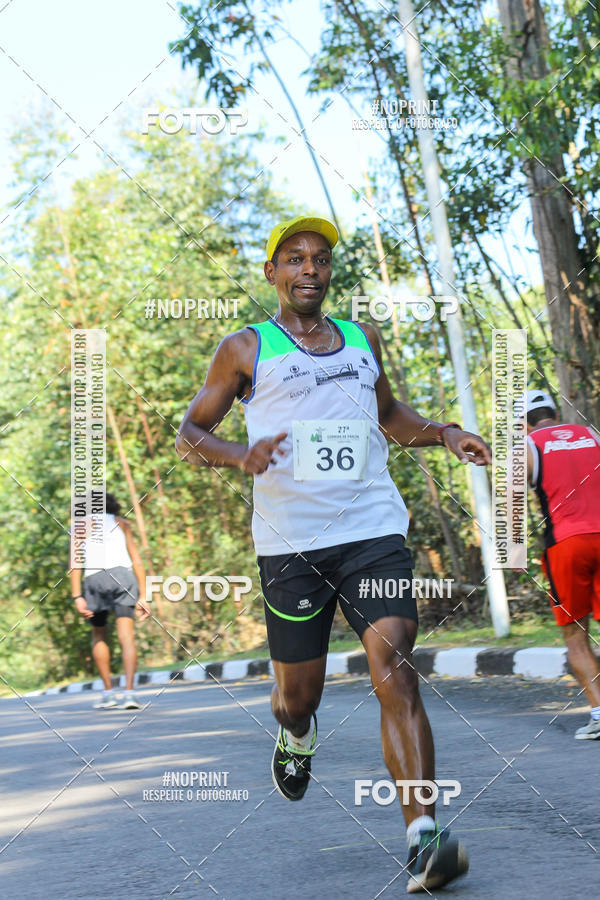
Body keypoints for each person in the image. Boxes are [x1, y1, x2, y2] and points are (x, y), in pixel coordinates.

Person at [176, 215, 491, 892]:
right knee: (297, 697)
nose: (309, 269)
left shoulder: (360, 339)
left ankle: (423, 838)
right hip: (291, 547)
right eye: (294, 259)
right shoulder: (245, 348)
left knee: (395, 671)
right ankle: (296, 733)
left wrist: (445, 434)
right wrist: (242, 454)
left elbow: (389, 417)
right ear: (272, 274)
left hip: (372, 533)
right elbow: (190, 433)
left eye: (319, 259)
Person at [526, 389, 600, 739]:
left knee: (575, 635)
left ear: (523, 421)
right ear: (553, 412)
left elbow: (510, 502)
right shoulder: (591, 434)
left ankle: (599, 714)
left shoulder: (527, 445)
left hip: (566, 545)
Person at [69, 491, 150, 710]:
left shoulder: (80, 526)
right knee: (127, 637)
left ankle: (108, 693)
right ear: (110, 504)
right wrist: (144, 595)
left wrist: (77, 597)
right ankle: (130, 694)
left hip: (95, 579)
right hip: (123, 577)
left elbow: (75, 564)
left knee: (99, 636)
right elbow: (137, 561)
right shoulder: (122, 523)